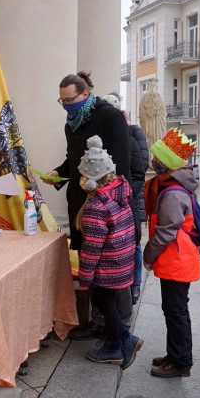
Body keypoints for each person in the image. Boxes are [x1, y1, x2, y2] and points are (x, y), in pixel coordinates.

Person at [42, 72, 131, 341]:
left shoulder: (110, 117)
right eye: (62, 101)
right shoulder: (71, 124)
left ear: (85, 94)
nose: (67, 105)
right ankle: (98, 321)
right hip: (81, 203)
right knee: (89, 258)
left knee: (112, 265)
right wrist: (59, 172)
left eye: (71, 99)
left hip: (107, 203)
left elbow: (121, 163)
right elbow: (74, 159)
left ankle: (120, 325)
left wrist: (109, 196)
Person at [76, 135, 143, 369]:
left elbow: (92, 246)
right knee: (110, 303)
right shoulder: (121, 192)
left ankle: (117, 345)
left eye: (83, 177)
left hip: (107, 266)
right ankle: (126, 340)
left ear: (91, 180)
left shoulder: (97, 206)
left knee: (104, 302)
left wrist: (85, 276)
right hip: (122, 262)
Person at [144, 127, 200, 378]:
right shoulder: (176, 186)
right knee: (174, 310)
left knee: (176, 311)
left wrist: (147, 255)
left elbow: (165, 232)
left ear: (165, 163)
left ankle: (180, 363)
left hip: (176, 259)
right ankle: (175, 354)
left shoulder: (171, 193)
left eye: (156, 159)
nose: (153, 162)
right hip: (177, 257)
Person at [102, 92, 149, 306]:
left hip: (130, 200)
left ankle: (135, 284)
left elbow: (139, 172)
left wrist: (123, 193)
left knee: (135, 245)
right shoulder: (102, 140)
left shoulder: (132, 136)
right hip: (111, 201)